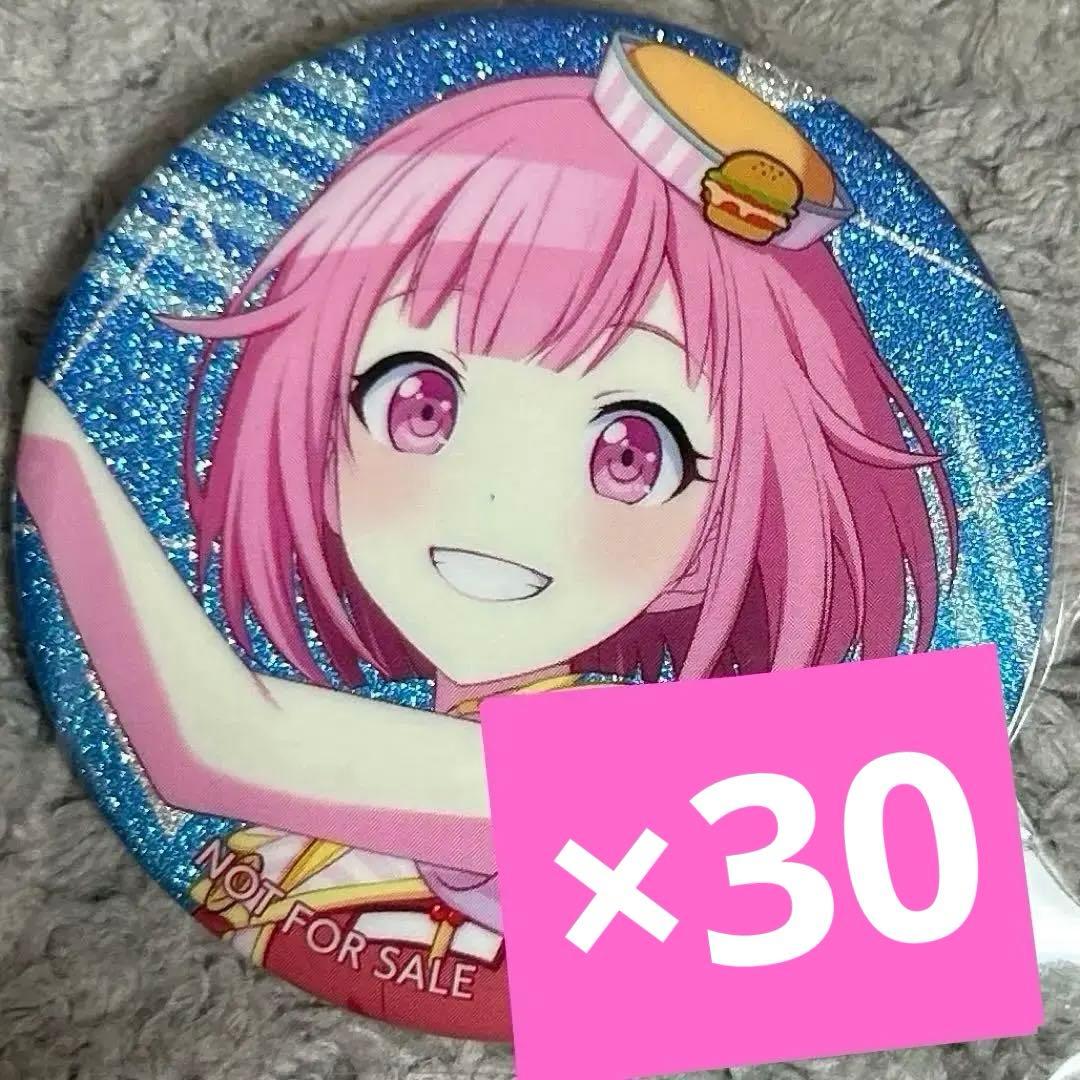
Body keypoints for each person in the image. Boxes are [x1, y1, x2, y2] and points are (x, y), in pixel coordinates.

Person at [16, 34, 956, 1038]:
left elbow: (211, 742)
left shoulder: (642, 769)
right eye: (420, 401)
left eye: (631, 453)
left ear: (720, 535)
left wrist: (59, 455)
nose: (499, 503)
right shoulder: (371, 789)